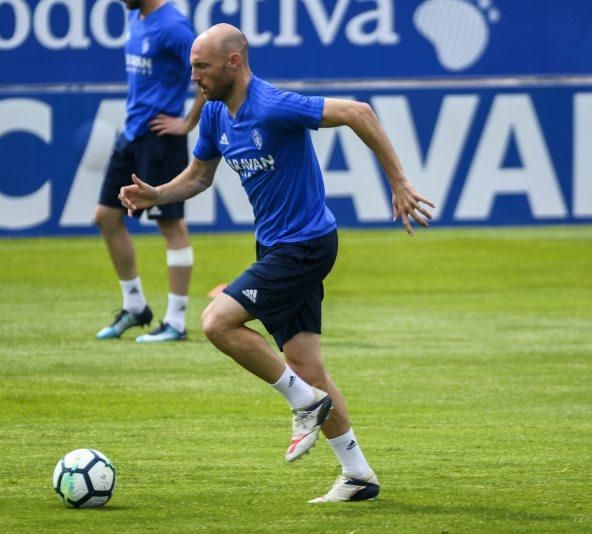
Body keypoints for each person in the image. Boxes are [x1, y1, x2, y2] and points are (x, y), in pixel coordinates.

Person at [119, 24, 436, 503]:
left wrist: (397, 182)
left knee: (216, 322)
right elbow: (200, 177)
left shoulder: (271, 104)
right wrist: (157, 194)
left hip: (306, 246)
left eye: (201, 68)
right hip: (274, 248)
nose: (194, 79)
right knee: (306, 365)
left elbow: (358, 111)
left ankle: (302, 402)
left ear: (234, 61)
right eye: (191, 69)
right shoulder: (213, 116)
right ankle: (358, 474)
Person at [94, 0, 205, 343]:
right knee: (106, 217)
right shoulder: (135, 15)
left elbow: (211, 72)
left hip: (160, 138)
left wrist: (188, 121)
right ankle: (135, 306)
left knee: (171, 225)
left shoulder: (173, 27)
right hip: (131, 134)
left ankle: (176, 321)